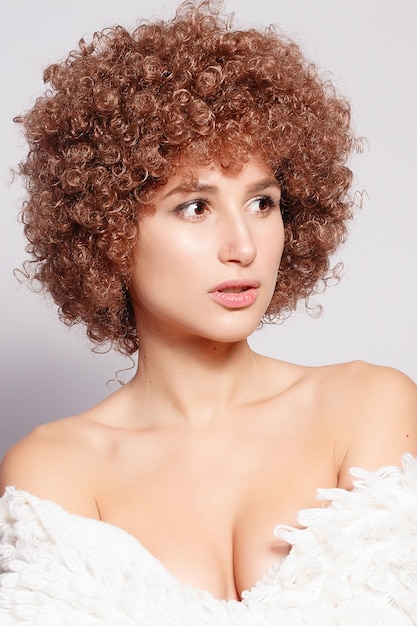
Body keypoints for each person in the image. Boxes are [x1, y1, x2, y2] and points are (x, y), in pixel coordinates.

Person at [1, 1, 416, 623]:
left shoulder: (367, 405)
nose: (243, 247)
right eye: (194, 206)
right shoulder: (54, 469)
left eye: (262, 202)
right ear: (107, 230)